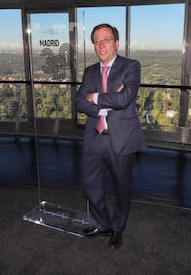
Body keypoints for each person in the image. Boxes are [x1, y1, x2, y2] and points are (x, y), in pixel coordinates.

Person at [75, 23, 147, 249]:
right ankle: (103, 223)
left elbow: (124, 98)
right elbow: (78, 103)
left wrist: (93, 97)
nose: (101, 44)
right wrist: (105, 106)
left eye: (106, 39)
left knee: (122, 188)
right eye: (96, 40)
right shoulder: (89, 71)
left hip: (121, 138)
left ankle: (117, 228)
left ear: (116, 43)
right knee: (89, 185)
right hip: (95, 137)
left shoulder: (131, 66)